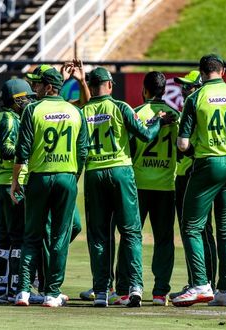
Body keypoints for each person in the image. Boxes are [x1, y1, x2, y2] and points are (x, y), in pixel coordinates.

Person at [173, 54, 226, 307]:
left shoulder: (195, 97)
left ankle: (200, 284)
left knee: (191, 226)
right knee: (225, 229)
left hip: (206, 164)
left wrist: (194, 154)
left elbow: (183, 143)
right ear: (222, 71)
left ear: (201, 73)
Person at [83, 67, 169, 307]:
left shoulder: (83, 111)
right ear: (110, 85)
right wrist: (157, 122)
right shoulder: (121, 107)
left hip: (94, 173)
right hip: (121, 171)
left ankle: (101, 291)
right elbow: (144, 135)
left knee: (99, 235)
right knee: (131, 231)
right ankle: (135, 287)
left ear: (91, 86)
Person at [11, 67, 88, 307]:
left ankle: (23, 291)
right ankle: (52, 293)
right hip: (66, 176)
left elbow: (22, 152)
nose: (36, 88)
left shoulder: (32, 110)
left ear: (48, 87)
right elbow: (83, 150)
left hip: (39, 178)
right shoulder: (75, 112)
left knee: (32, 235)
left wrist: (15, 181)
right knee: (59, 237)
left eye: (40, 84)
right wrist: (73, 178)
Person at [131, 71, 180, 306]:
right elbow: (183, 148)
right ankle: (161, 292)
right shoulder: (175, 115)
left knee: (133, 237)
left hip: (138, 184)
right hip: (165, 185)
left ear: (145, 90)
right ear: (165, 90)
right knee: (164, 240)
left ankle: (132, 287)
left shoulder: (136, 113)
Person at [169, 70, 218, 301]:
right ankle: (197, 281)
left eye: (188, 87)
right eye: (182, 87)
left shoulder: (199, 109)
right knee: (193, 230)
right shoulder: (188, 110)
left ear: (198, 87)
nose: (183, 90)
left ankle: (207, 282)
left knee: (201, 230)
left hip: (194, 174)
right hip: (185, 174)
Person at [0, 79, 36, 303]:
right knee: (17, 237)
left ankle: (0, 289)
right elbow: (7, 150)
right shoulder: (9, 118)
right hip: (11, 181)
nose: (29, 101)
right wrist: (28, 147)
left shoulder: (6, 117)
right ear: (16, 100)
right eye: (26, 98)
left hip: (1, 180)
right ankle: (15, 288)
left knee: (4, 237)